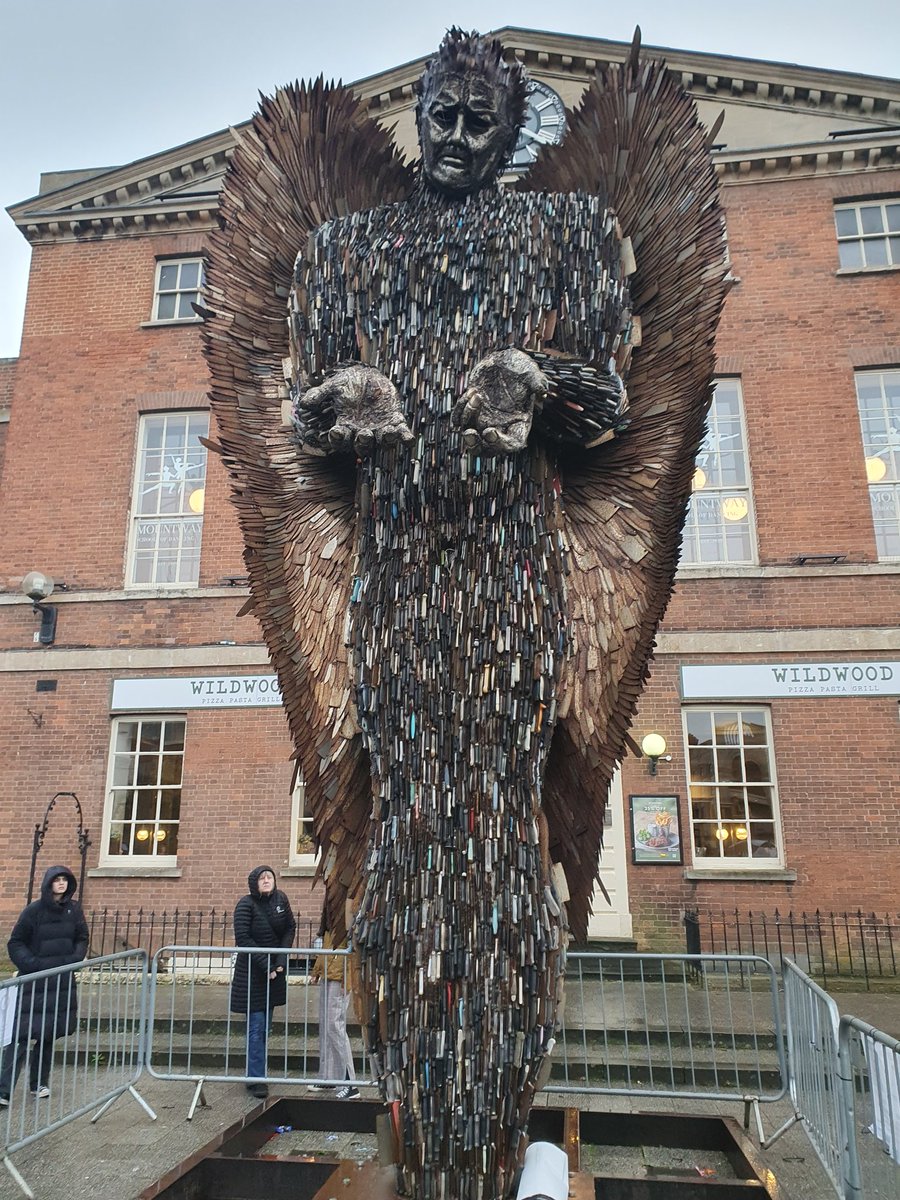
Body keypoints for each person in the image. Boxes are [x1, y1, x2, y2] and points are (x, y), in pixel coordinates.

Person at [0, 865, 89, 1105]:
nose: (61, 884)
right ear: (48, 883)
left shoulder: (73, 910)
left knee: (48, 1035)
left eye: (64, 880)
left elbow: (82, 937)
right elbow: (16, 942)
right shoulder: (33, 911)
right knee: (19, 1036)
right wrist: (33, 964)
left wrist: (72, 960)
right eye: (57, 880)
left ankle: (39, 1083)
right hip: (34, 983)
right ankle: (4, 1090)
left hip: (60, 982)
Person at [229, 865, 295, 1099]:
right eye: (262, 878)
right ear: (254, 882)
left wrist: (280, 961)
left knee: (265, 1026)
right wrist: (266, 965)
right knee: (256, 1026)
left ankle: (255, 1071)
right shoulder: (245, 905)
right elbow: (243, 939)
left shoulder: (281, 900)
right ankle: (256, 1079)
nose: (267, 880)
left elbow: (289, 928)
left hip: (274, 974)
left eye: (270, 877)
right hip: (252, 974)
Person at [310, 905, 358, 1100]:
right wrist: (317, 970)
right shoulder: (332, 913)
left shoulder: (348, 911)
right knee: (327, 1025)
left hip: (341, 976)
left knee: (334, 1024)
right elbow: (327, 945)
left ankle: (350, 1082)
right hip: (330, 973)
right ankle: (329, 1075)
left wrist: (348, 978)